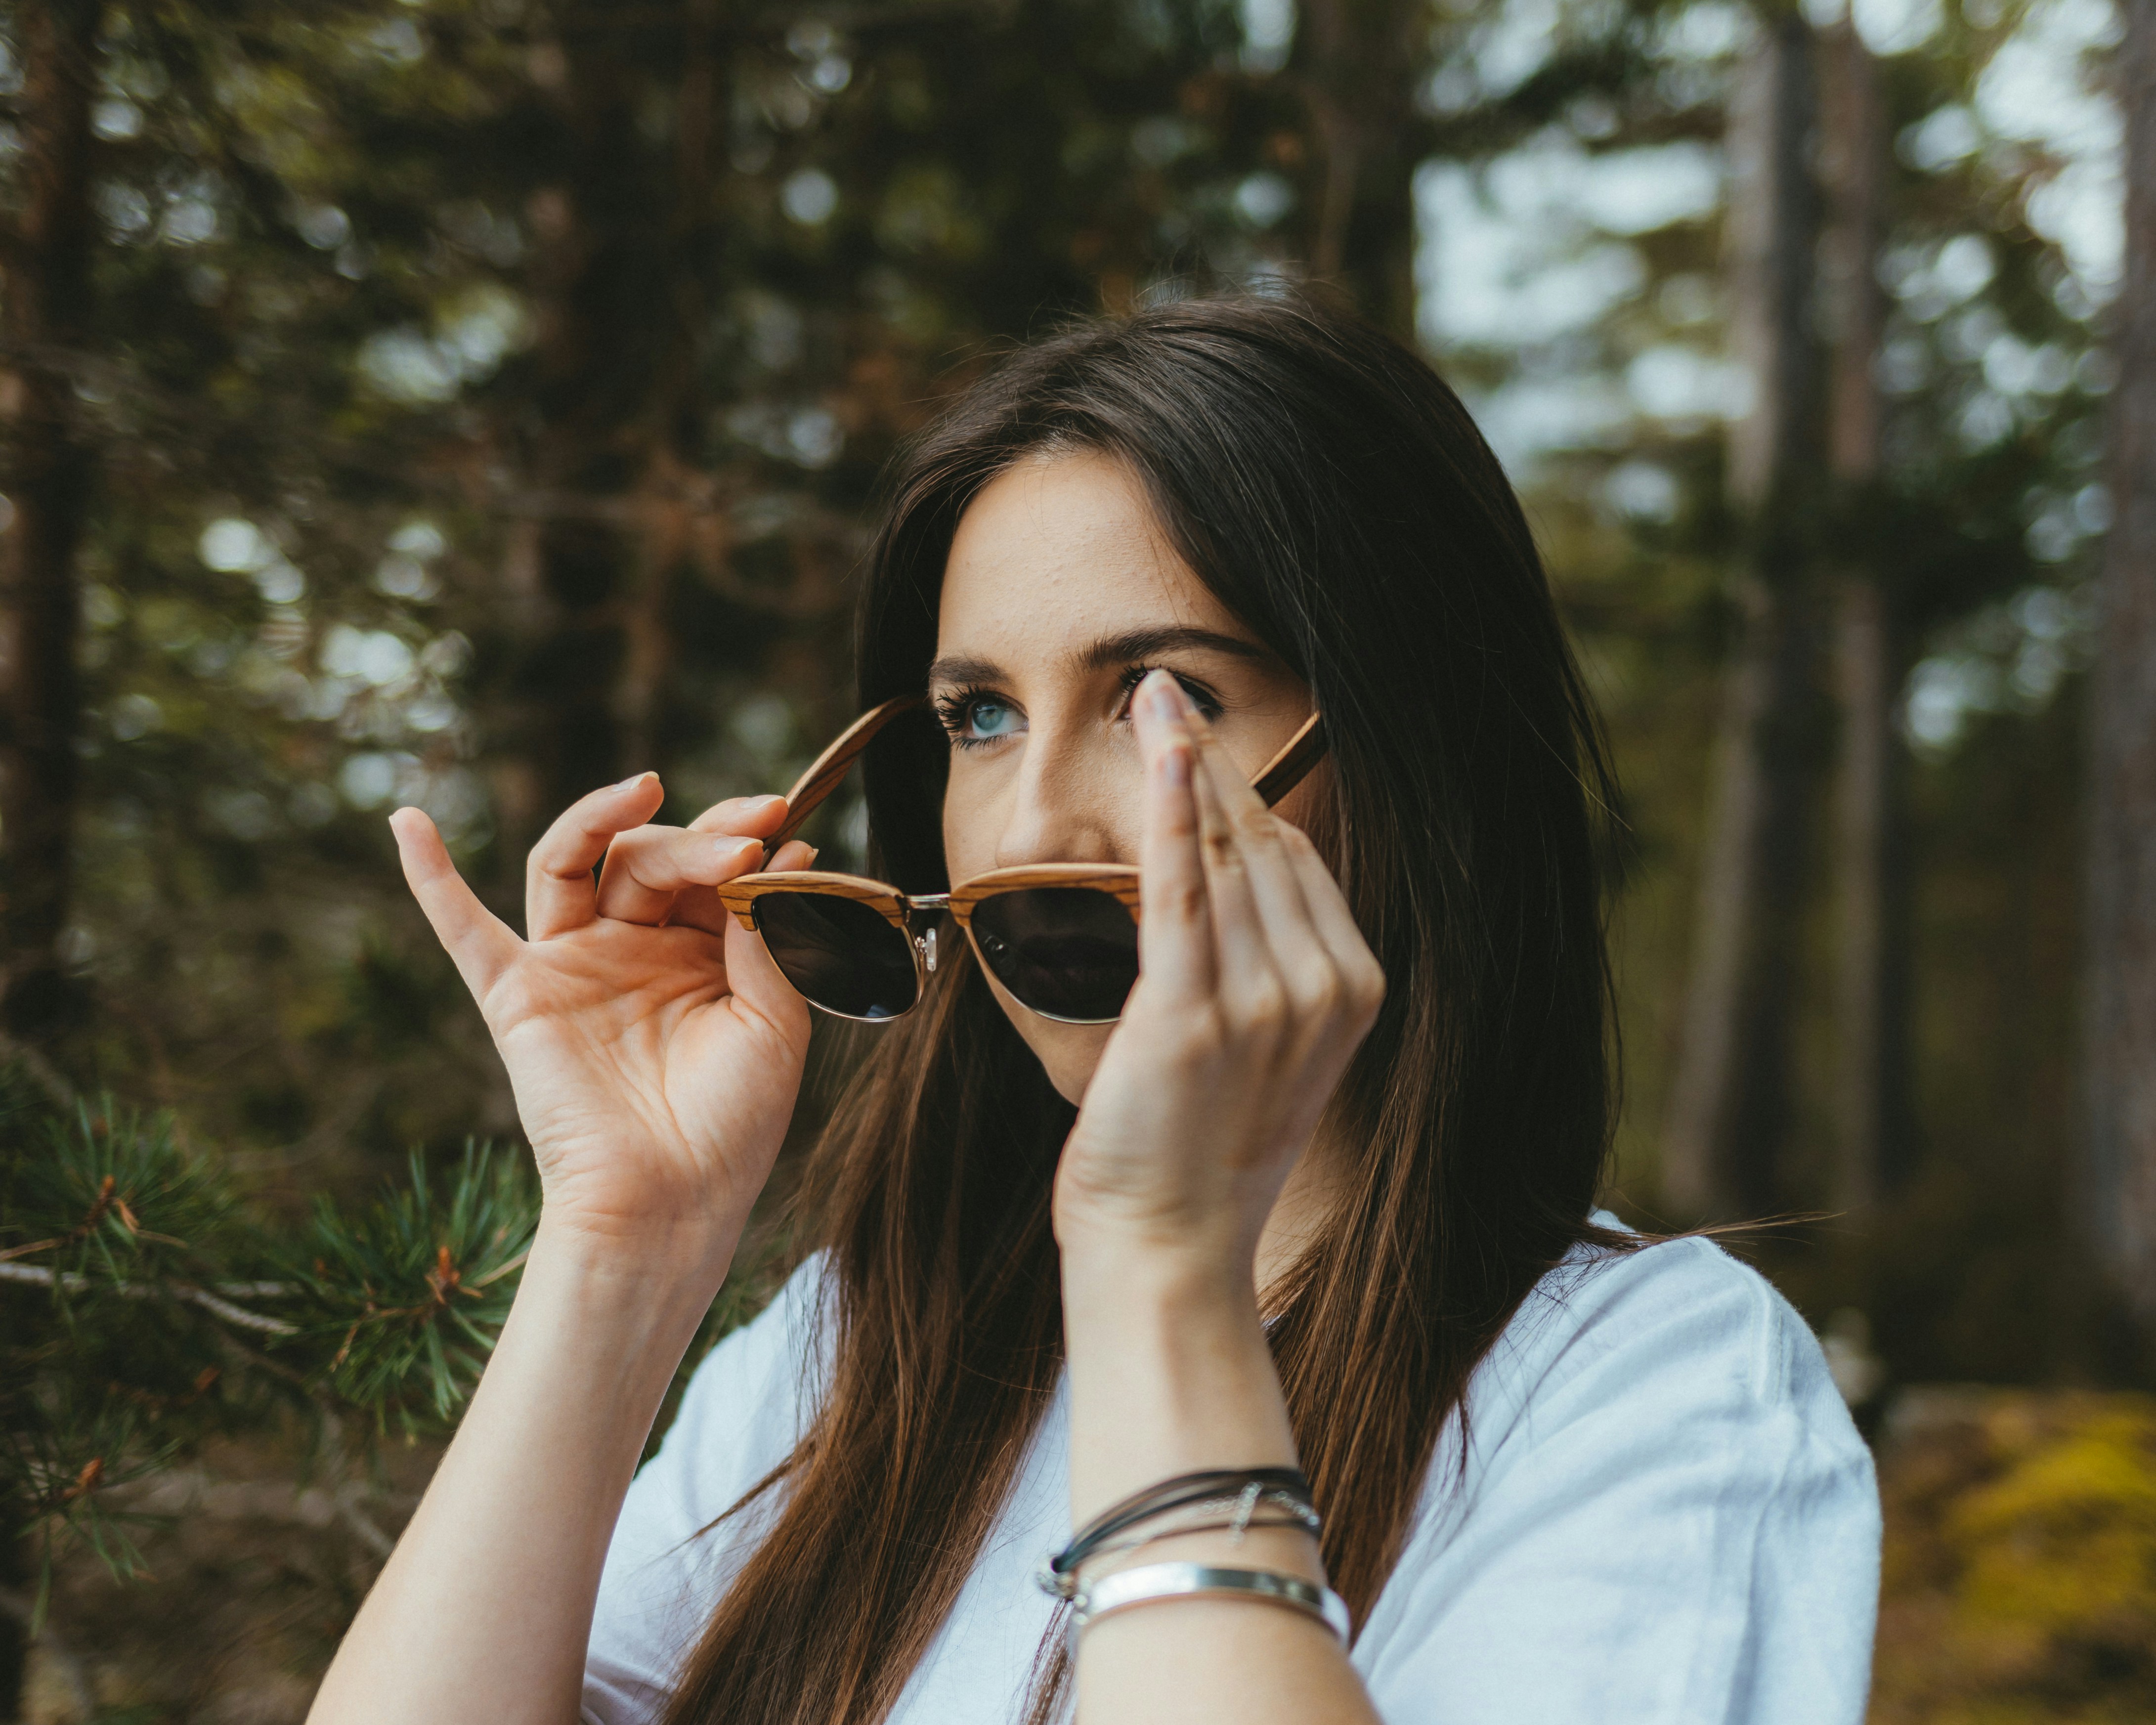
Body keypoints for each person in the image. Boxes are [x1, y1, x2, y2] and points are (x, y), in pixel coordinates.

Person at [306, 295, 1880, 1725]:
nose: (1029, 820)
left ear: (1410, 752)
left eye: (1167, 697)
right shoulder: (856, 1353)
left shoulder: (1647, 1387)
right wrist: (621, 1245)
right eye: (979, 716)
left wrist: (1159, 1263)